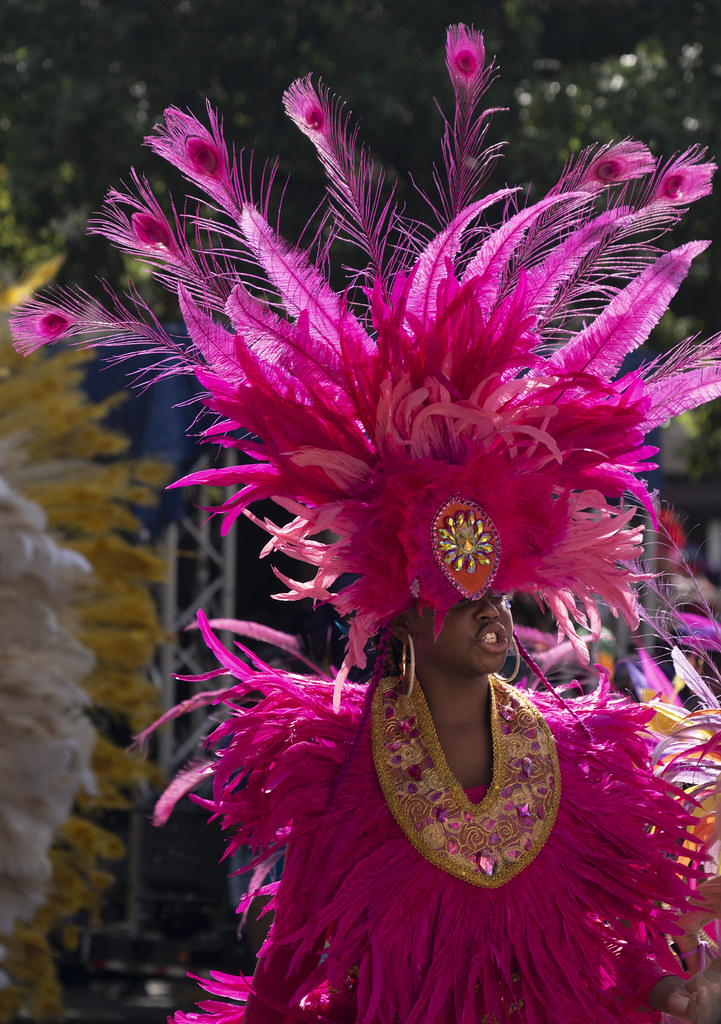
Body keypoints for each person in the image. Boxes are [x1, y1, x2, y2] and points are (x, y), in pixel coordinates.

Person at [10, 21, 721, 1024]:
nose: (490, 612)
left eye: (495, 592)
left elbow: (615, 942)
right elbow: (296, 958)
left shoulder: (580, 763)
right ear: (403, 614)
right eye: (460, 595)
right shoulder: (338, 777)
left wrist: (671, 989)